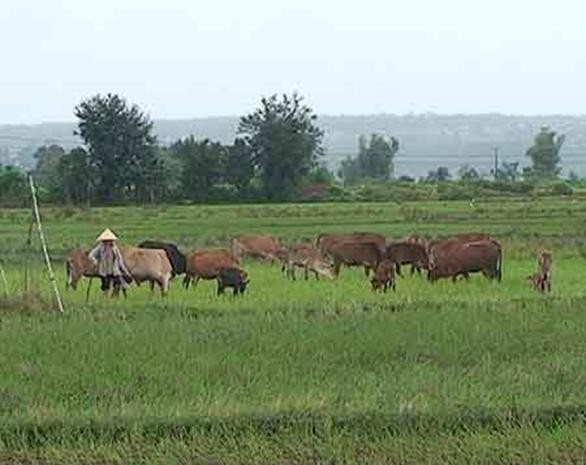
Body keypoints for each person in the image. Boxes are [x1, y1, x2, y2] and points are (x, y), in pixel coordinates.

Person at [88, 229, 132, 296]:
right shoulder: (100, 247)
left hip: (114, 270)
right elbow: (91, 255)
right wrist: (95, 261)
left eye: (110, 240)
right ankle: (105, 300)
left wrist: (125, 271)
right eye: (106, 240)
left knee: (118, 284)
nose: (108, 242)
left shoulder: (115, 248)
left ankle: (114, 297)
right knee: (106, 287)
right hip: (104, 270)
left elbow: (120, 261)